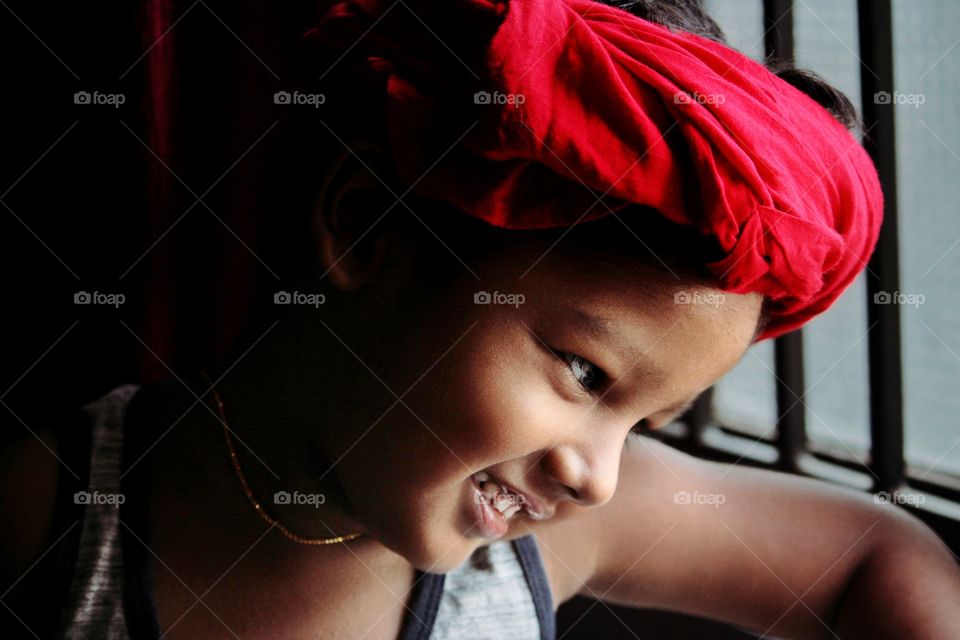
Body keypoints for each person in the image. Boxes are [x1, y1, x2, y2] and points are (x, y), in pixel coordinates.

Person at [3, 0, 959, 638]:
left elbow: (876, 556)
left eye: (643, 423)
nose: (597, 474)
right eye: (587, 375)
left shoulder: (567, 533)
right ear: (366, 223)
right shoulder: (48, 510)